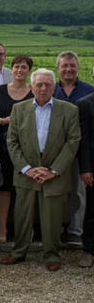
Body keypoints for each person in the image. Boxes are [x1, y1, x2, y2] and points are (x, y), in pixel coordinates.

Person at [1, 69, 81, 271]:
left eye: (47, 84)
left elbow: (73, 142)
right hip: (27, 173)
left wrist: (53, 171)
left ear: (54, 87)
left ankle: (52, 254)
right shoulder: (19, 109)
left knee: (52, 218)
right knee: (22, 216)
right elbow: (12, 141)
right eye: (39, 85)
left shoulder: (69, 110)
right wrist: (27, 169)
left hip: (55, 175)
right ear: (31, 86)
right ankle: (19, 252)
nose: (43, 88)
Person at [0, 55, 34, 243]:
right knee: (5, 187)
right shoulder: (1, 91)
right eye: (16, 67)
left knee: (25, 189)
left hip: (28, 148)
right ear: (12, 69)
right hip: (3, 146)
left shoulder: (34, 92)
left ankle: (26, 228)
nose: (19, 70)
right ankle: (2, 227)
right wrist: (4, 120)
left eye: (23, 67)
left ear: (28, 71)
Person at [53, 51, 94, 247]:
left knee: (79, 192)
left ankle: (75, 231)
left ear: (78, 67)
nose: (68, 69)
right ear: (58, 68)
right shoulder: (50, 90)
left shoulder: (88, 90)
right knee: (56, 191)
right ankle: (54, 228)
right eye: (64, 66)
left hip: (80, 150)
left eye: (72, 65)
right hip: (55, 152)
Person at [77, 91, 94, 268]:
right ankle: (89, 250)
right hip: (93, 167)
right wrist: (86, 168)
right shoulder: (86, 103)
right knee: (92, 211)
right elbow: (85, 140)